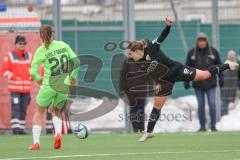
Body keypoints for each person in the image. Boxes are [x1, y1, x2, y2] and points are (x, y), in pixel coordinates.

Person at [126, 18, 239, 142]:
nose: (129, 56)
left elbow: (162, 37)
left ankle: (228, 64)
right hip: (165, 81)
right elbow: (152, 72)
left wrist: (168, 26)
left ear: (136, 51)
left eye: (130, 54)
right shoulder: (138, 63)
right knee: (157, 105)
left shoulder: (151, 47)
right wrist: (157, 82)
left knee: (206, 74)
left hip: (177, 70)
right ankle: (149, 132)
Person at [29, 25, 79, 150]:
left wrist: (39, 80)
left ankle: (36, 143)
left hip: (48, 85)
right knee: (55, 110)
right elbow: (77, 61)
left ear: (41, 36)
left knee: (39, 111)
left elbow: (32, 72)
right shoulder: (62, 44)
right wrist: (73, 76)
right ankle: (57, 133)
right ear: (52, 34)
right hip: (63, 85)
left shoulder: (41, 50)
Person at [184, 32, 223, 132]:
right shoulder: (192, 53)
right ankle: (202, 126)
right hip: (198, 84)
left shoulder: (213, 52)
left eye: (204, 40)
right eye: (200, 40)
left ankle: (213, 126)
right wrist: (186, 81)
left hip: (211, 83)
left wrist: (221, 78)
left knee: (212, 104)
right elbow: (187, 68)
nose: (202, 42)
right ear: (197, 42)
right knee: (200, 106)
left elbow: (219, 66)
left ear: (206, 41)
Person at [1, 36, 32, 135]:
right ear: (15, 44)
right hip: (15, 89)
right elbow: (3, 70)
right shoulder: (9, 56)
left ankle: (21, 129)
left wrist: (31, 77)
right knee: (16, 108)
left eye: (24, 44)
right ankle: (15, 128)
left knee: (23, 108)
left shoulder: (29, 56)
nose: (22, 45)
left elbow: (34, 69)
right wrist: (14, 77)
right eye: (20, 43)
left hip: (26, 89)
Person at [120, 57, 147, 133]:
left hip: (142, 89)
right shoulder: (127, 61)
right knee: (133, 109)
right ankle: (135, 129)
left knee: (141, 109)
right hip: (131, 89)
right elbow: (123, 75)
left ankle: (141, 129)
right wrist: (122, 89)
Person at [220, 50, 239, 116]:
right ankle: (222, 120)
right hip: (224, 90)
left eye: (232, 56)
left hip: (234, 90)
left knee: (233, 109)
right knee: (224, 106)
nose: (231, 57)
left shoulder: (237, 67)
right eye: (230, 56)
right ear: (228, 57)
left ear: (235, 57)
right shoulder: (224, 66)